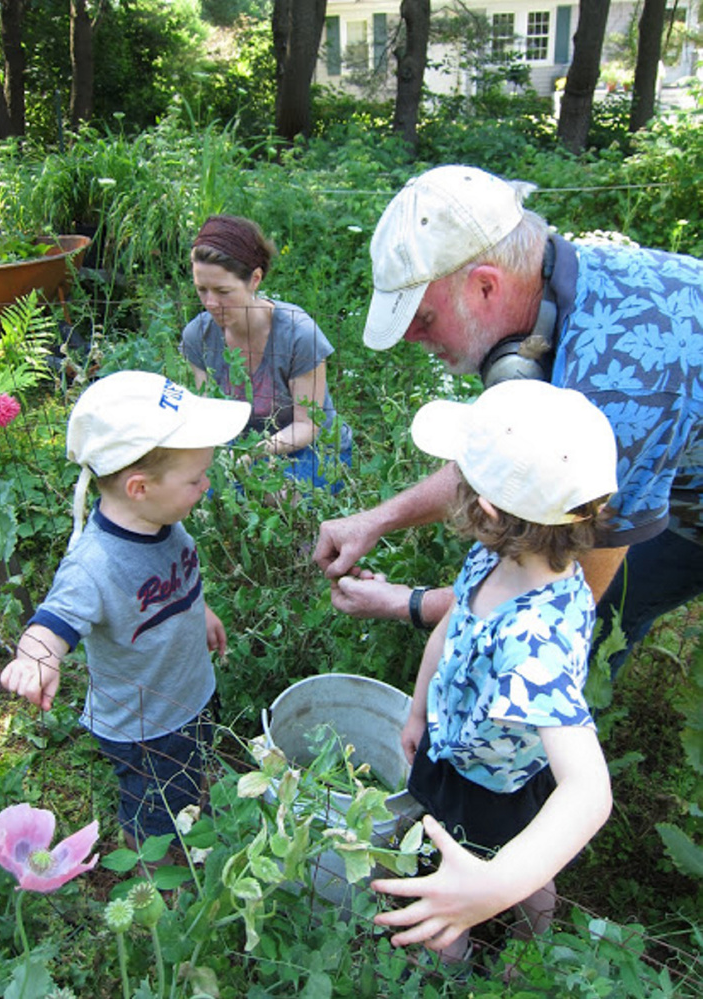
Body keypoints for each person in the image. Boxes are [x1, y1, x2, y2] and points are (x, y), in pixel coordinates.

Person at [313, 164, 703, 675]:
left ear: (485, 288)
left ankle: (554, 729)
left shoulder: (614, 390)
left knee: (596, 620)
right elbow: (502, 458)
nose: (411, 336)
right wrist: (377, 520)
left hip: (689, 511)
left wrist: (406, 603)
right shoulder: (563, 288)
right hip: (665, 449)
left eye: (424, 318)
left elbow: (560, 592)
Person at [372, 379, 615, 962]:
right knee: (484, 840)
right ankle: (524, 920)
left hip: (491, 785)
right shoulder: (498, 557)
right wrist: (417, 707)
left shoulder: (536, 642)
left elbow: (589, 791)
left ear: (484, 507)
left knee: (463, 884)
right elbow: (451, 625)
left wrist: (488, 888)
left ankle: (464, 960)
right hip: (459, 749)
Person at [0, 371, 251, 850]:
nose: (206, 486)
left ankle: (190, 793)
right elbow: (54, 621)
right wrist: (36, 657)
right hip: (145, 728)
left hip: (188, 694)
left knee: (189, 766)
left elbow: (177, 578)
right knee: (153, 811)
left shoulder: (162, 521)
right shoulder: (94, 564)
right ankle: (156, 875)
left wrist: (201, 611)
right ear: (139, 487)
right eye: (196, 478)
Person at [180, 214, 352, 494]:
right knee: (194, 492)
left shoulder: (299, 334)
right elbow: (207, 412)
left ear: (255, 279)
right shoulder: (197, 336)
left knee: (278, 496)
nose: (211, 303)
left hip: (312, 450)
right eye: (202, 290)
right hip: (239, 449)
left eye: (223, 291)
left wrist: (253, 454)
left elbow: (307, 426)